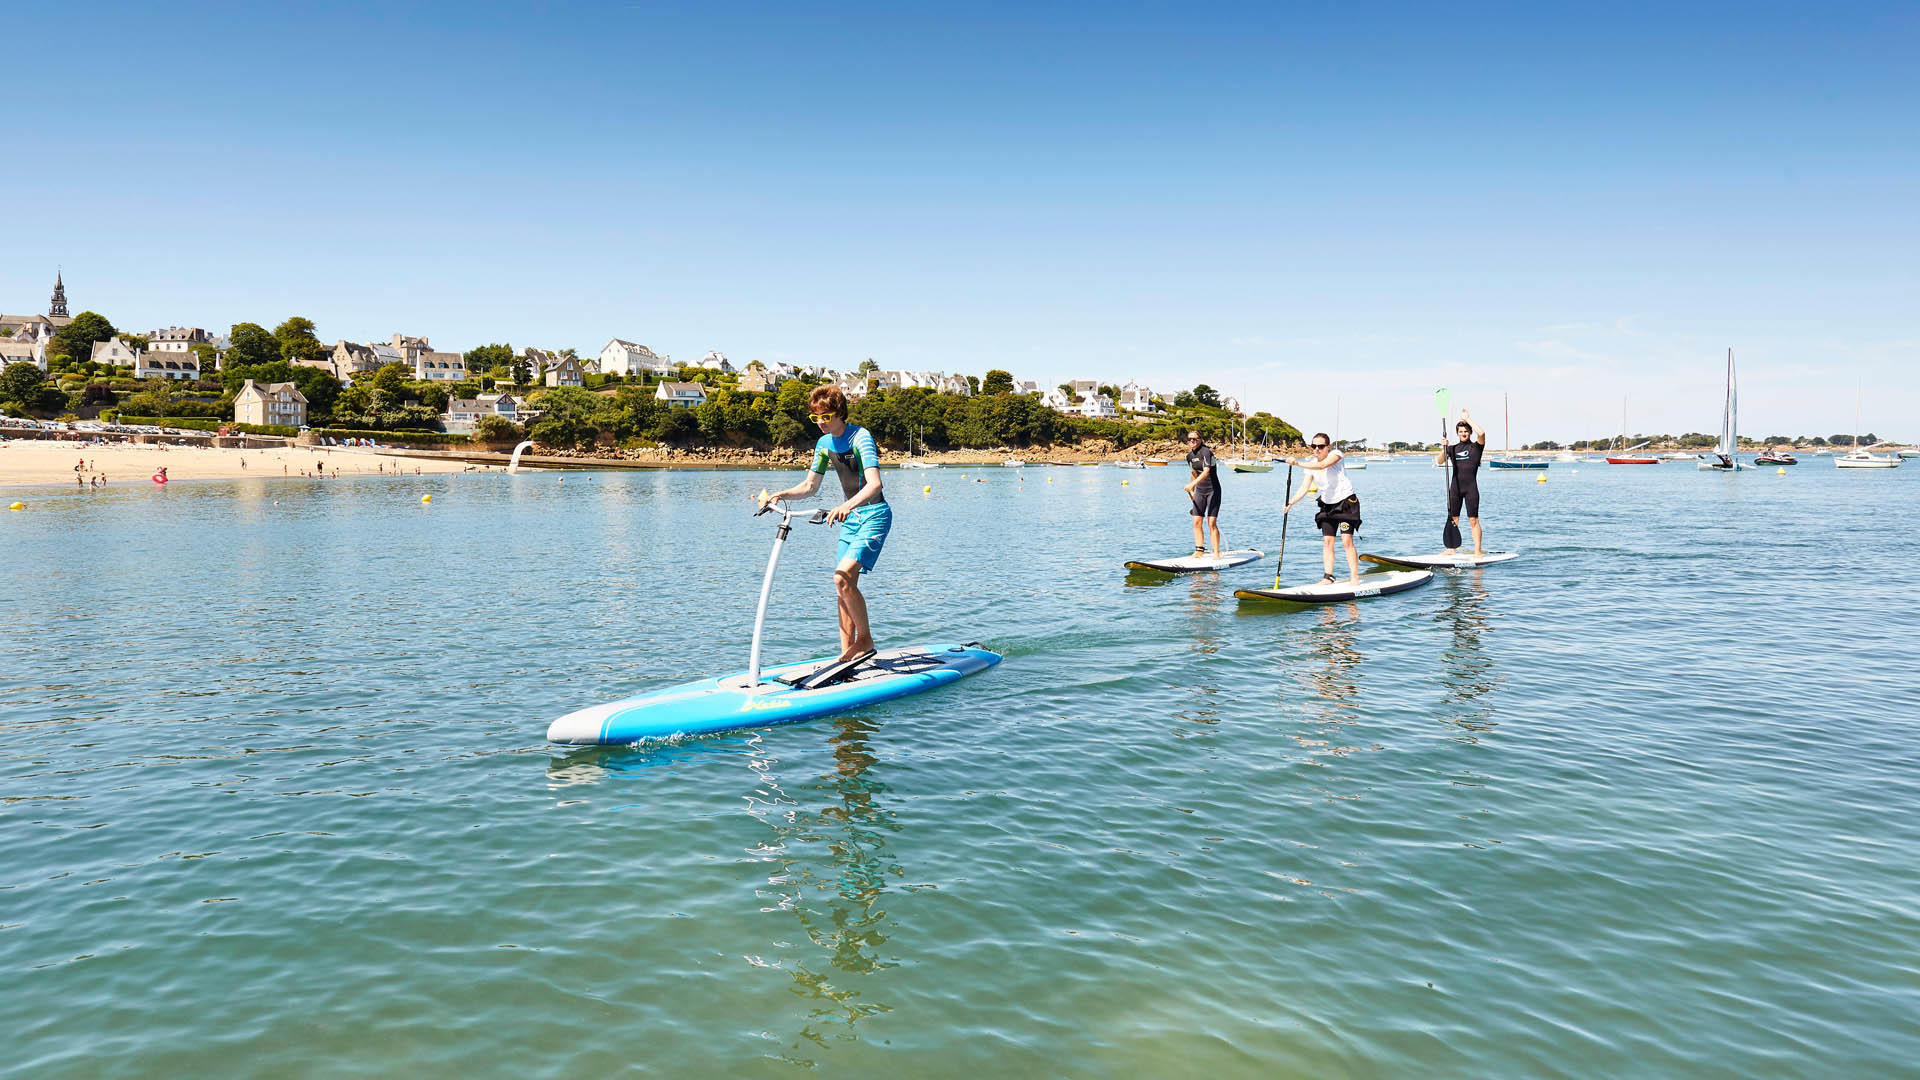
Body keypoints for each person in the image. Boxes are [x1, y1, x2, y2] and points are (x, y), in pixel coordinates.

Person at [759, 385, 890, 663]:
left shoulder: (860, 437)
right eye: (815, 417)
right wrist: (780, 495)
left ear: (840, 413)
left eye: (826, 416)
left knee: (841, 578)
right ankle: (846, 654)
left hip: (874, 515)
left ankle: (865, 640)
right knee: (842, 585)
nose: (821, 422)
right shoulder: (824, 444)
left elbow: (875, 484)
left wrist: (845, 505)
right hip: (852, 519)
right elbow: (810, 485)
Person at [1285, 432, 1361, 583]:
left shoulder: (1336, 454)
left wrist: (1297, 463)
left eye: (1320, 446)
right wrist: (1290, 503)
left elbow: (1322, 465)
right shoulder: (1310, 466)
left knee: (1346, 541)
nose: (1317, 449)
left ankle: (1354, 577)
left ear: (1328, 447)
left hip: (1346, 503)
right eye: (1314, 446)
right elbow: (1304, 488)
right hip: (1327, 505)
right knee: (1327, 542)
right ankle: (1328, 576)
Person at [1434, 409, 1488, 555]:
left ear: (1470, 432)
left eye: (1466, 431)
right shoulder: (1452, 449)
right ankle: (1451, 549)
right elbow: (1439, 461)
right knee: (1454, 519)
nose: (1463, 433)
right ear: (1457, 433)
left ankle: (1478, 550)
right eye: (1460, 431)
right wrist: (1444, 448)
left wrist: (1467, 419)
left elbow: (1482, 433)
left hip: (1470, 488)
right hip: (1455, 489)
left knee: (1473, 520)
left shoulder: (1476, 447)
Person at [1182, 429, 1222, 558]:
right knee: (1197, 522)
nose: (1192, 441)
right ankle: (1199, 550)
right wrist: (1193, 491)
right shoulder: (1189, 456)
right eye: (1190, 439)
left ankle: (1216, 552)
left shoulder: (1206, 452)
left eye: (1195, 439)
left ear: (1200, 440)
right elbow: (1194, 473)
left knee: (1211, 523)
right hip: (1200, 491)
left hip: (1213, 490)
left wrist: (1192, 485)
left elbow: (1206, 472)